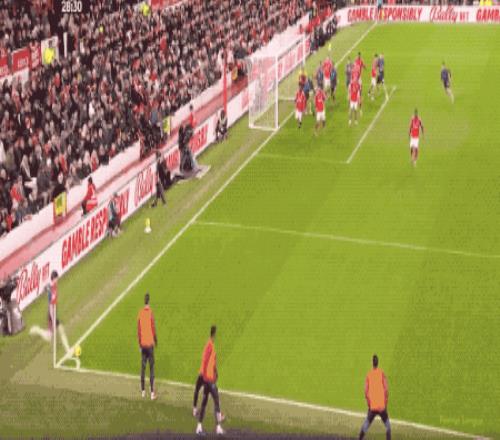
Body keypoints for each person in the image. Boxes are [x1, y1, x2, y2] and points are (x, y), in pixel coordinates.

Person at [196, 325, 224, 436]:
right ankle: (218, 427)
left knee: (204, 402)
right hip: (209, 380)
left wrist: (215, 371)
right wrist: (204, 375)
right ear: (214, 334)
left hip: (209, 378)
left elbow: (212, 362)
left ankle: (199, 427)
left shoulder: (210, 345)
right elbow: (205, 360)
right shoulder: (209, 345)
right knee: (216, 401)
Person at [359, 355, 391, 440]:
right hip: (382, 407)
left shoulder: (368, 375)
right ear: (378, 363)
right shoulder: (382, 373)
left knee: (366, 425)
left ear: (372, 363)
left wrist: (369, 404)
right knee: (388, 427)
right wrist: (385, 404)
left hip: (372, 407)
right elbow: (386, 390)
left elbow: (365, 392)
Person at [137, 293, 158, 400]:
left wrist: (139, 344)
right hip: (150, 344)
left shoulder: (140, 313)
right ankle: (152, 393)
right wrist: (156, 340)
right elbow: (153, 328)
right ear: (149, 301)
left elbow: (138, 329)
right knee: (152, 368)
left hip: (143, 344)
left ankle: (143, 391)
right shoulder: (150, 313)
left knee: (143, 367)